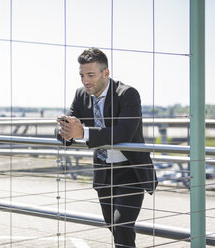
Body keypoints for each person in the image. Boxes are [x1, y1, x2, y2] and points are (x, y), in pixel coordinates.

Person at [56, 48, 158, 248]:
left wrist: (82, 133)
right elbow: (69, 126)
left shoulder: (127, 94)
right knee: (113, 226)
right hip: (103, 171)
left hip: (130, 171)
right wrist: (64, 129)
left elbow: (124, 132)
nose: (85, 81)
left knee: (122, 226)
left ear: (106, 73)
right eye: (82, 76)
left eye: (90, 75)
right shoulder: (81, 95)